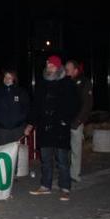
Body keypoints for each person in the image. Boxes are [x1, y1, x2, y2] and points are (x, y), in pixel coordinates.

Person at [25, 55, 80, 201]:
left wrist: (65, 120)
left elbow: (75, 105)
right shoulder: (42, 84)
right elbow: (36, 106)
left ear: (57, 67)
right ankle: (45, 186)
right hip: (45, 127)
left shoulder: (67, 84)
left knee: (62, 160)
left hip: (60, 127)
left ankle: (65, 187)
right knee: (46, 159)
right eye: (47, 65)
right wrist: (31, 124)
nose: (48, 67)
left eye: (51, 65)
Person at [65, 60, 93, 183]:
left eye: (68, 69)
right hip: (65, 121)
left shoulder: (84, 83)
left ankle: (74, 174)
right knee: (65, 149)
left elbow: (87, 104)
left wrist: (78, 121)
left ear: (75, 70)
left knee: (76, 150)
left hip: (76, 121)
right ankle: (66, 171)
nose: (65, 71)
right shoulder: (65, 82)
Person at [0, 70, 30, 145]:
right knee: (4, 153)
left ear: (14, 79)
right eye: (5, 77)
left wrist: (20, 120)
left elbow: (26, 108)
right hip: (2, 129)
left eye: (9, 77)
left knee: (17, 152)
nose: (7, 79)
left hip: (17, 129)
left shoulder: (21, 92)